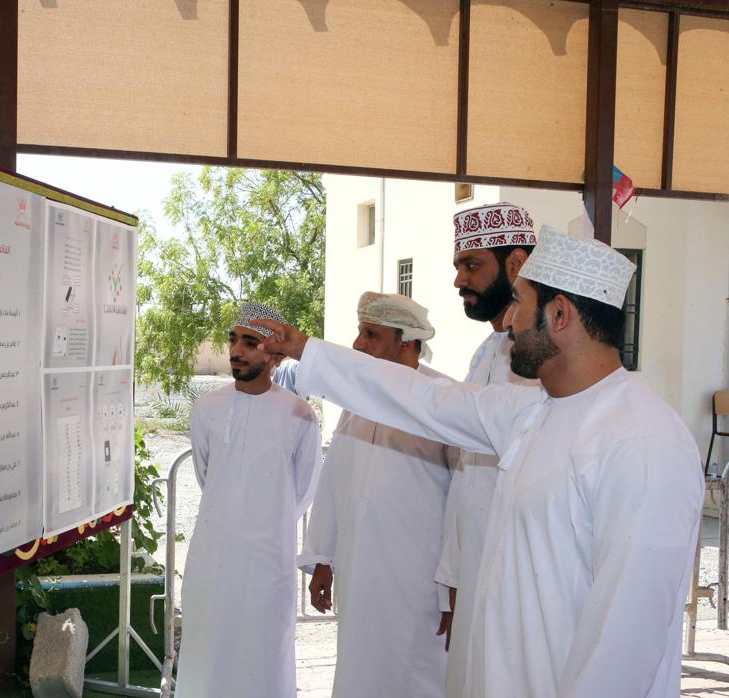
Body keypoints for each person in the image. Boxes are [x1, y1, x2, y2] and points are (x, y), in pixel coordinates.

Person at [255, 226, 704, 698]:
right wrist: (307, 350)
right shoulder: (529, 409)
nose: (510, 324)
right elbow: (422, 398)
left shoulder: (643, 440)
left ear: (559, 314)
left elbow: (626, 642)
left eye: (521, 304)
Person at [299, 292, 456, 697]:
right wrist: (322, 560)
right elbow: (336, 480)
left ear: (406, 343)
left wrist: (455, 583)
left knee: (417, 676)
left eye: (371, 334)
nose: (358, 344)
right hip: (359, 573)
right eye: (359, 332)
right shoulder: (358, 401)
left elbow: (466, 501)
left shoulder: (443, 399)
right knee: (359, 674)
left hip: (419, 583)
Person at [175, 301, 322, 698]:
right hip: (212, 560)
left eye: (249, 342)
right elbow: (208, 476)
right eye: (233, 340)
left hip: (267, 565)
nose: (236, 351)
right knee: (207, 654)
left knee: (263, 657)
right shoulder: (207, 409)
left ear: (274, 355)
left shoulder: (299, 414)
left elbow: (304, 490)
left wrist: (264, 525)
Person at [438, 202, 540, 695]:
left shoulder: (537, 368)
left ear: (516, 265)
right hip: (474, 578)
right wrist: (455, 578)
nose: (460, 280)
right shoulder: (484, 351)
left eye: (471, 265)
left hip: (514, 591)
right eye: (459, 266)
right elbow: (465, 483)